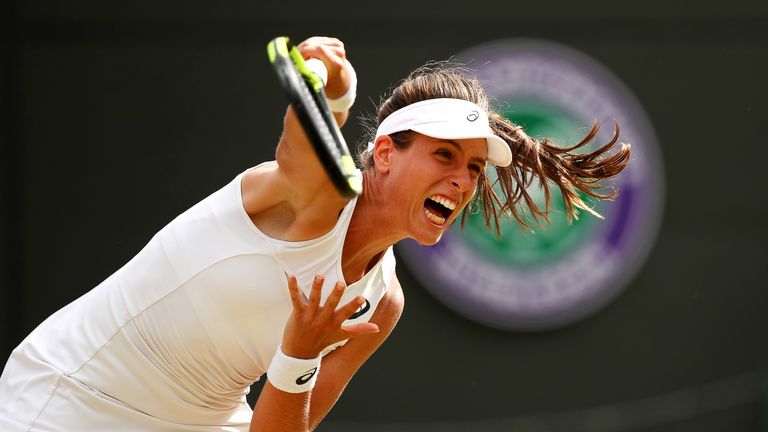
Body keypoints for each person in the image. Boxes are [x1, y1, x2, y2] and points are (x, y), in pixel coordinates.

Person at [0, 36, 630, 431]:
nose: (462, 181)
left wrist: (299, 353)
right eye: (444, 156)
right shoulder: (311, 194)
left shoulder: (381, 304)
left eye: (471, 167)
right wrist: (331, 95)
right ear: (383, 153)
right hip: (69, 399)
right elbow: (302, 143)